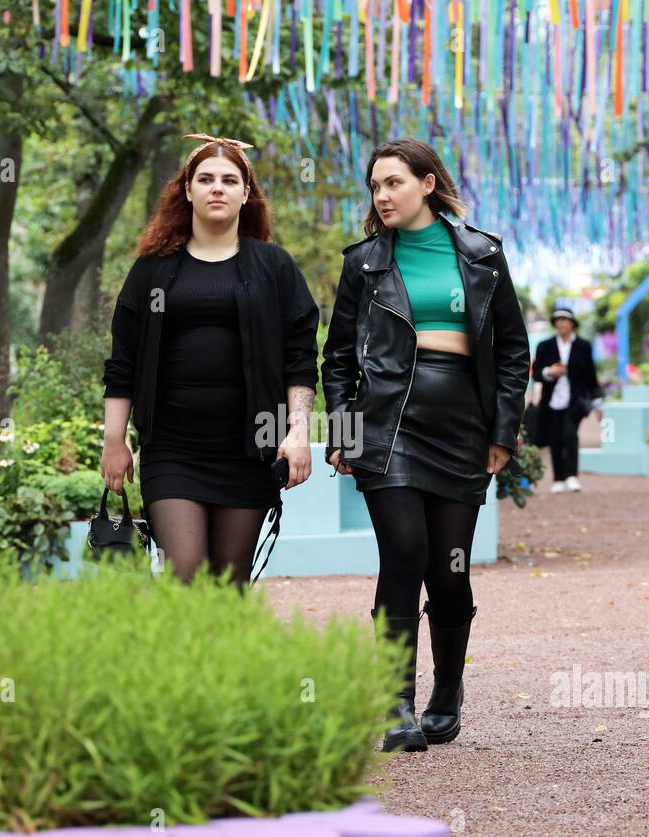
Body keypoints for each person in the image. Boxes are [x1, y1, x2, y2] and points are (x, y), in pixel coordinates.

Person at [321, 138, 531, 753]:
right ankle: (395, 704)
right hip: (386, 425)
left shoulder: (482, 254)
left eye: (393, 183)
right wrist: (343, 430)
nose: (382, 196)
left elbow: (513, 349)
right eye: (375, 187)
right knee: (403, 552)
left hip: (462, 425)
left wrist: (502, 431)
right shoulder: (364, 263)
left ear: (427, 184)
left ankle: (447, 692)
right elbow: (336, 358)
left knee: (450, 570)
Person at [100, 133, 320, 589]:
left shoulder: (273, 267)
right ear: (187, 190)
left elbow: (299, 359)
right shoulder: (152, 270)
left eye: (228, 179)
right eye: (205, 179)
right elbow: (123, 360)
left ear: (245, 193)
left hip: (249, 451)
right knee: (185, 574)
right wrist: (114, 440)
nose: (216, 188)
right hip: (173, 449)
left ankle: (220, 664)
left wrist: (299, 431)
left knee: (228, 584)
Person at [532, 301, 603, 493]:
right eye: (558, 320)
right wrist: (549, 371)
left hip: (575, 400)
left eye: (565, 320)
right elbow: (536, 373)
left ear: (572, 323)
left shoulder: (583, 346)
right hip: (552, 400)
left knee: (570, 435)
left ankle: (572, 476)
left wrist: (597, 402)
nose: (561, 324)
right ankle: (558, 478)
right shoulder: (544, 346)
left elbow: (591, 375)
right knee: (555, 438)